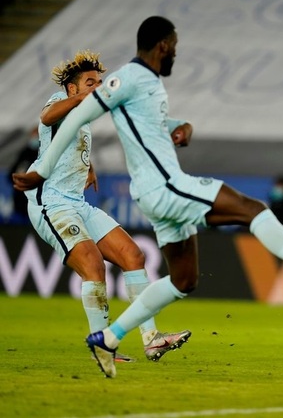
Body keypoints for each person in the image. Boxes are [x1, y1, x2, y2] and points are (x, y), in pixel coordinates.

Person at [13, 16, 283, 378]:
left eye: (98, 83)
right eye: (174, 45)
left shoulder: (147, 84)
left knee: (177, 277)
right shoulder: (120, 81)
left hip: (113, 198)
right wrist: (41, 168)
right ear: (163, 45)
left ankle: (111, 338)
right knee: (249, 209)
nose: (176, 51)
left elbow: (142, 123)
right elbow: (59, 117)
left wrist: (179, 125)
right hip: (142, 189)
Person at [21, 50, 190, 363]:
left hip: (77, 203)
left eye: (100, 82)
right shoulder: (60, 98)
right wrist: (83, 97)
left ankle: (152, 339)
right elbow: (47, 118)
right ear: (72, 88)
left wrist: (88, 166)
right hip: (51, 203)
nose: (98, 87)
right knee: (94, 267)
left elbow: (71, 143)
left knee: (133, 255)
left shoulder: (84, 116)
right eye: (90, 82)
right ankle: (102, 348)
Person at [7, 126, 39, 224]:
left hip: (36, 203)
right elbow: (11, 174)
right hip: (20, 201)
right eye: (34, 135)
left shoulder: (45, 155)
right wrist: (19, 180)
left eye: (37, 136)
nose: (35, 138)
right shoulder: (24, 153)